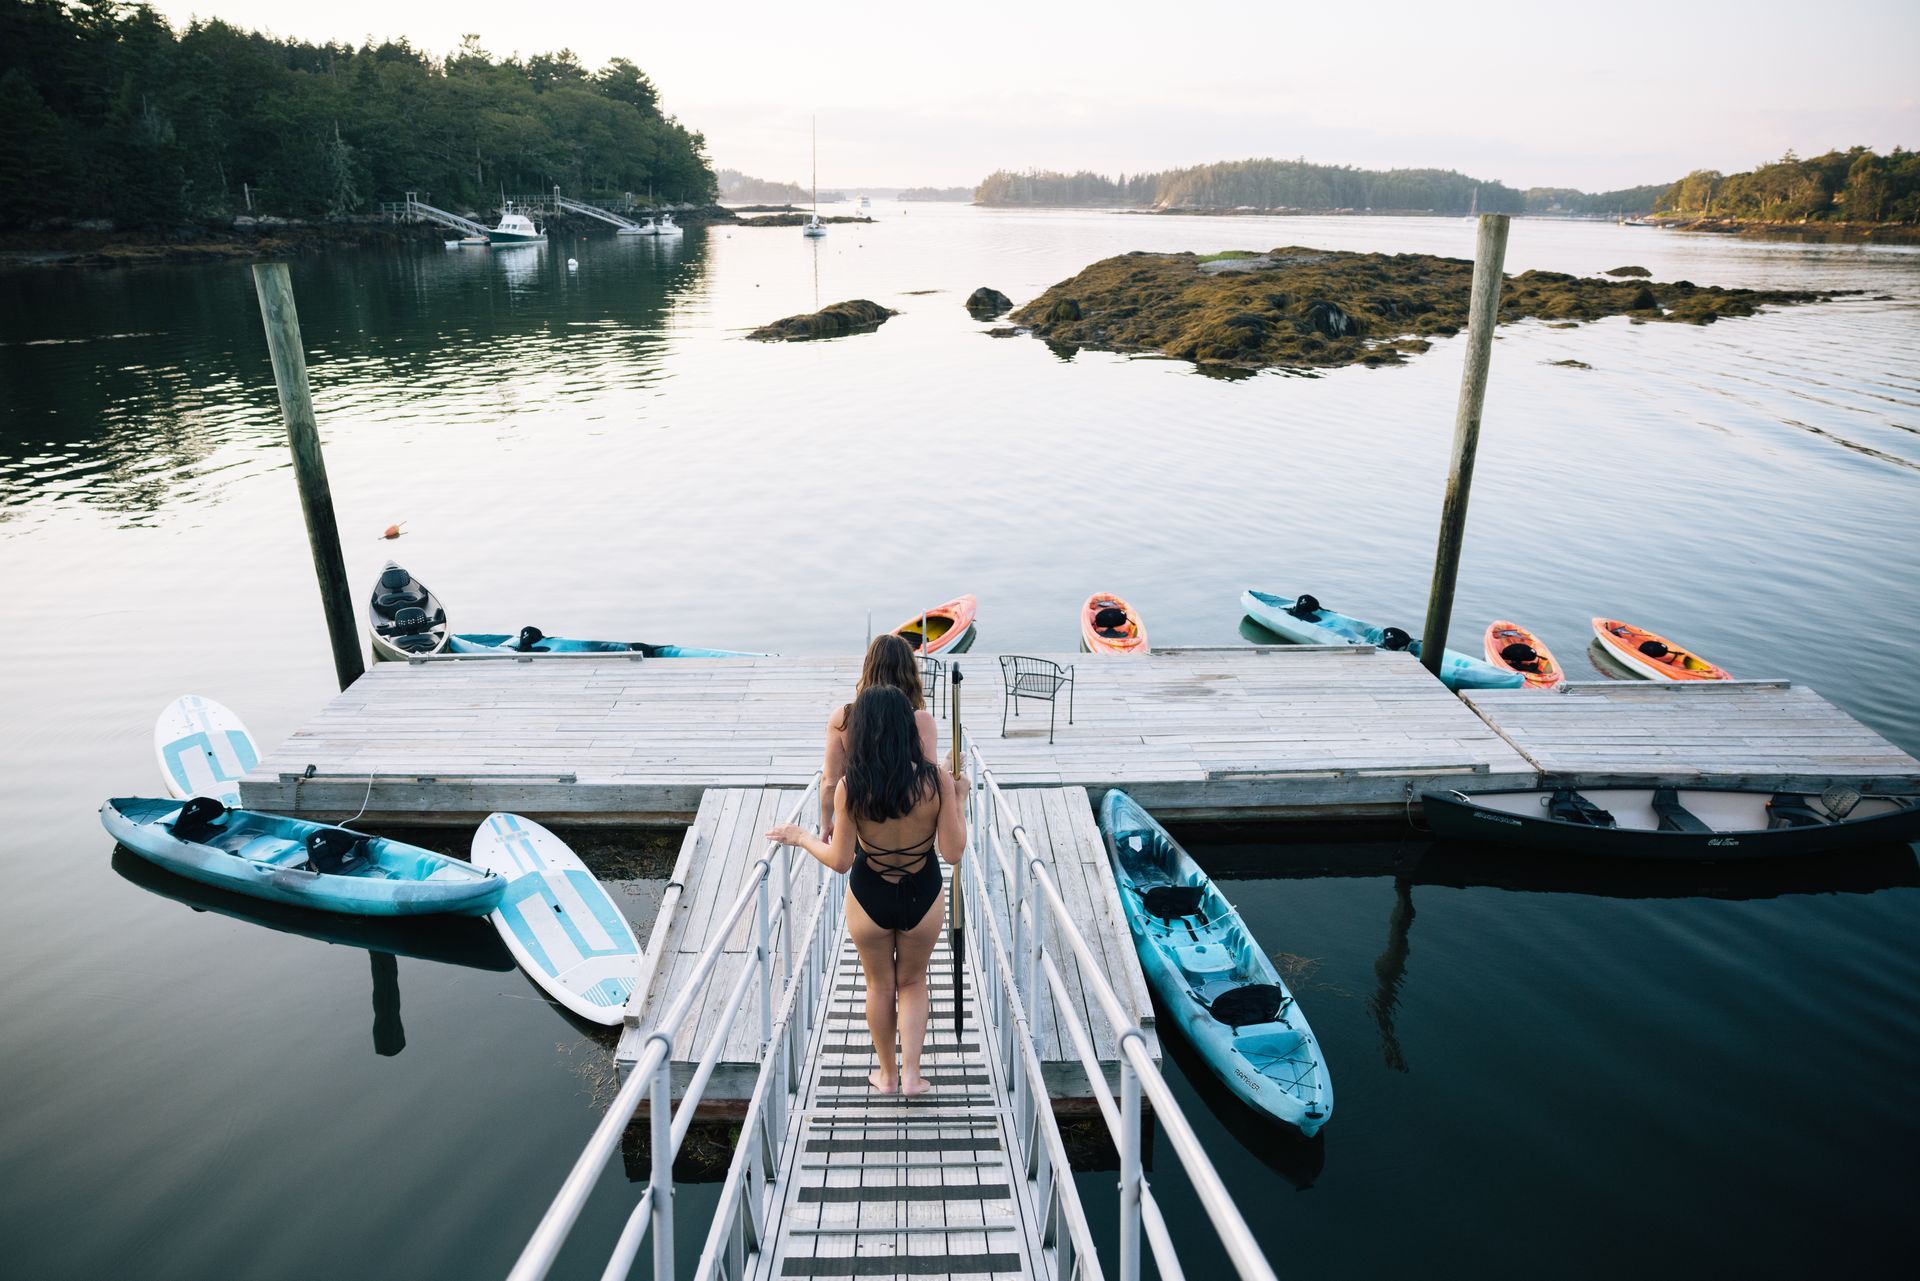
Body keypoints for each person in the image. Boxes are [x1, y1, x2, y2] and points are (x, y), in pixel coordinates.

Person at [768, 686, 968, 1095]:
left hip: (869, 894)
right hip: (922, 892)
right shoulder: (936, 781)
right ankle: (913, 1076)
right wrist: (958, 798)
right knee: (912, 982)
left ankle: (888, 1076)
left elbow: (841, 861)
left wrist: (802, 837)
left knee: (879, 985)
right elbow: (952, 852)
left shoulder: (851, 786)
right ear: (905, 728)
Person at [822, 634, 938, 839]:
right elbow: (929, 782)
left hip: (862, 824)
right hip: (912, 830)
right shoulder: (922, 721)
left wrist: (826, 822)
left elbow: (831, 782)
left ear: (869, 668)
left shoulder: (844, 718)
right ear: (910, 673)